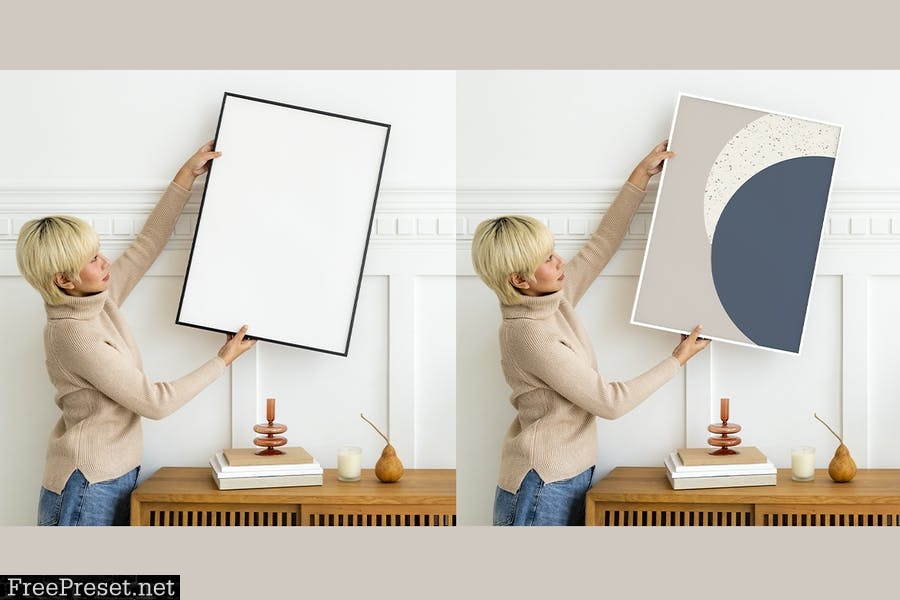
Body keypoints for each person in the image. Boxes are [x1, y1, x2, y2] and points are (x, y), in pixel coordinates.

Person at [16, 141, 257, 526]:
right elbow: (154, 402)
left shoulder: (98, 300)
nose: (105, 261)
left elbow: (147, 245)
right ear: (65, 280)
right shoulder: (73, 336)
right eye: (92, 260)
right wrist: (220, 362)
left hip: (111, 476)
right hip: (86, 486)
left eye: (98, 251)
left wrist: (185, 176)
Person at [471, 141, 711, 526]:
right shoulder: (528, 335)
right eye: (547, 259)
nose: (559, 260)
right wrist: (676, 361)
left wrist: (639, 177)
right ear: (520, 280)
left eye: (553, 250)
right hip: (540, 486)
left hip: (568, 475)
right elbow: (609, 401)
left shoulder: (554, 299)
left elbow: (601, 246)